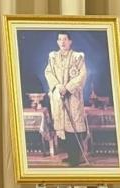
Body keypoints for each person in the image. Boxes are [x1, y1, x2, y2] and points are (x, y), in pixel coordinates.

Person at [44, 31, 88, 167]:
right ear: (57, 42)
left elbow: (82, 75)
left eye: (65, 39)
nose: (62, 42)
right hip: (59, 97)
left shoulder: (77, 57)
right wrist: (57, 86)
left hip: (72, 96)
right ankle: (71, 155)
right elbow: (48, 72)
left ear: (70, 41)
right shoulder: (53, 57)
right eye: (59, 39)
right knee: (63, 128)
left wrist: (67, 88)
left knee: (73, 126)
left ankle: (76, 157)